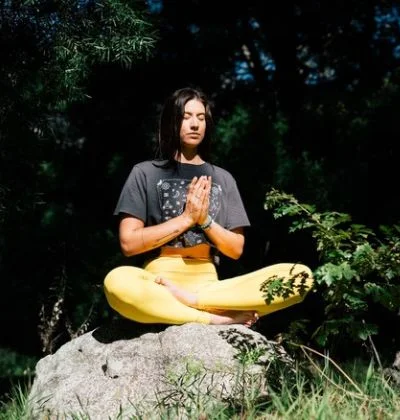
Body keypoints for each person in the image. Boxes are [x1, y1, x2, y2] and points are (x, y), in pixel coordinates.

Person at [103, 87, 313, 327]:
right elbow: (128, 243)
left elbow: (235, 249)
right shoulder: (145, 173)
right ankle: (210, 317)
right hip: (160, 283)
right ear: (172, 121)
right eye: (186, 116)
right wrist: (186, 218)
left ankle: (193, 301)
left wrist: (204, 220)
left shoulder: (223, 178)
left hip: (210, 285)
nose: (195, 124)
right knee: (116, 282)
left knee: (300, 277)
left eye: (201, 118)